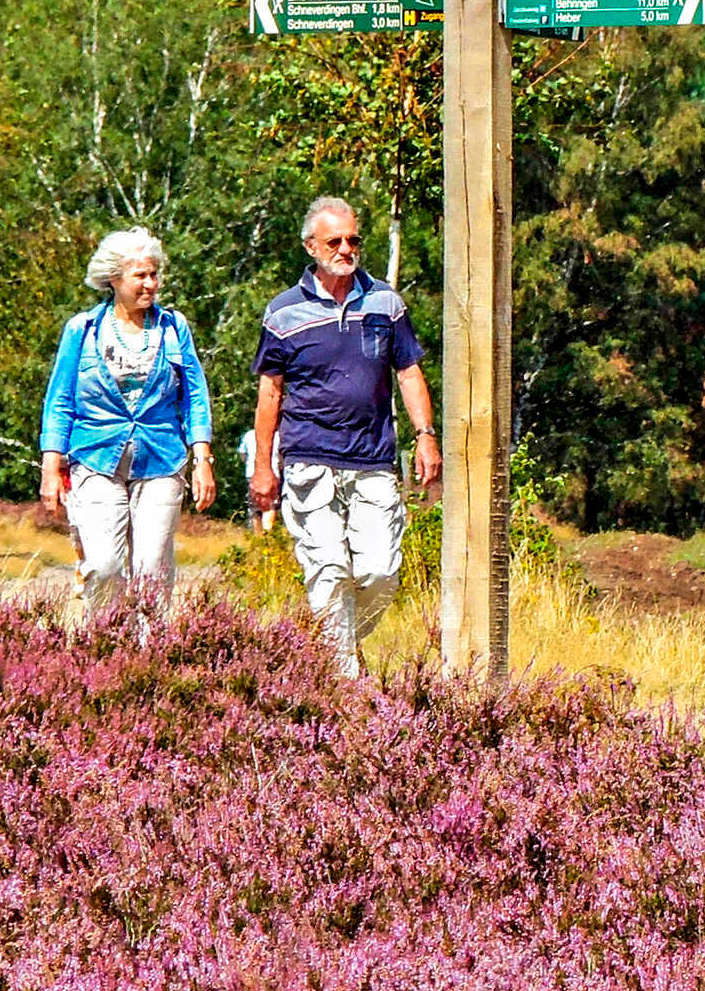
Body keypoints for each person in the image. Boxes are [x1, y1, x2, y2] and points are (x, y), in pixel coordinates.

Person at [250, 196, 440, 676]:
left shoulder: (386, 303)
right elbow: (270, 394)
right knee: (328, 569)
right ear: (311, 246)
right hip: (308, 458)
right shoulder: (282, 313)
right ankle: (343, 680)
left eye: (353, 239)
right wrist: (262, 465)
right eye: (334, 241)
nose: (345, 248)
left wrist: (425, 435)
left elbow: (410, 373)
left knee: (380, 572)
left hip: (374, 459)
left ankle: (334, 646)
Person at [39, 226, 214, 613]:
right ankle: (106, 645)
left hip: (162, 459)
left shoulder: (174, 328)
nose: (150, 284)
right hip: (96, 457)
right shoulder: (81, 330)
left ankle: (150, 656)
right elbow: (60, 401)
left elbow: (196, 397)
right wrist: (51, 468)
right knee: (104, 565)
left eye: (154, 275)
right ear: (113, 279)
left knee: (151, 568)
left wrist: (203, 460)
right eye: (140, 276)